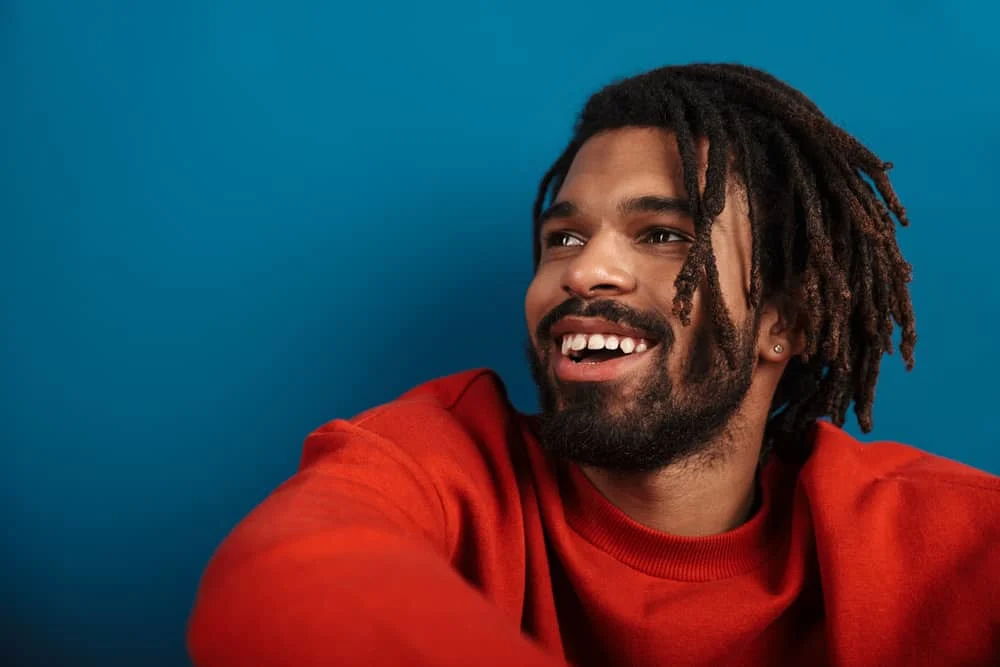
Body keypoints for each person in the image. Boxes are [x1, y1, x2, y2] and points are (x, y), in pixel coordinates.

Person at [187, 64, 1000, 666]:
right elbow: (280, 580)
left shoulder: (940, 542)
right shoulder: (442, 464)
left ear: (781, 323)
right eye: (563, 238)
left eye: (662, 234)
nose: (582, 271)